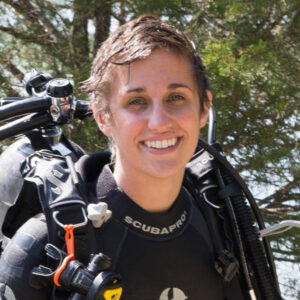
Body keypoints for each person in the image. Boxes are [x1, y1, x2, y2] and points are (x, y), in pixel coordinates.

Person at [0, 15, 247, 299]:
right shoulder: (44, 246)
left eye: (176, 97)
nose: (159, 122)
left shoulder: (225, 230)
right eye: (136, 101)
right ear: (103, 117)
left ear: (204, 108)